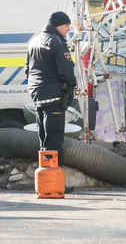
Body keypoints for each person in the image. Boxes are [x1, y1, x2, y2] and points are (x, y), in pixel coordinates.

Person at [25, 11, 77, 161]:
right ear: (58, 25)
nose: (68, 29)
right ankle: (54, 181)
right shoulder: (57, 42)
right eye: (67, 25)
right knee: (54, 140)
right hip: (53, 96)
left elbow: (27, 69)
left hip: (38, 96)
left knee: (44, 139)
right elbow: (66, 70)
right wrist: (72, 86)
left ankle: (45, 178)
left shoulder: (34, 40)